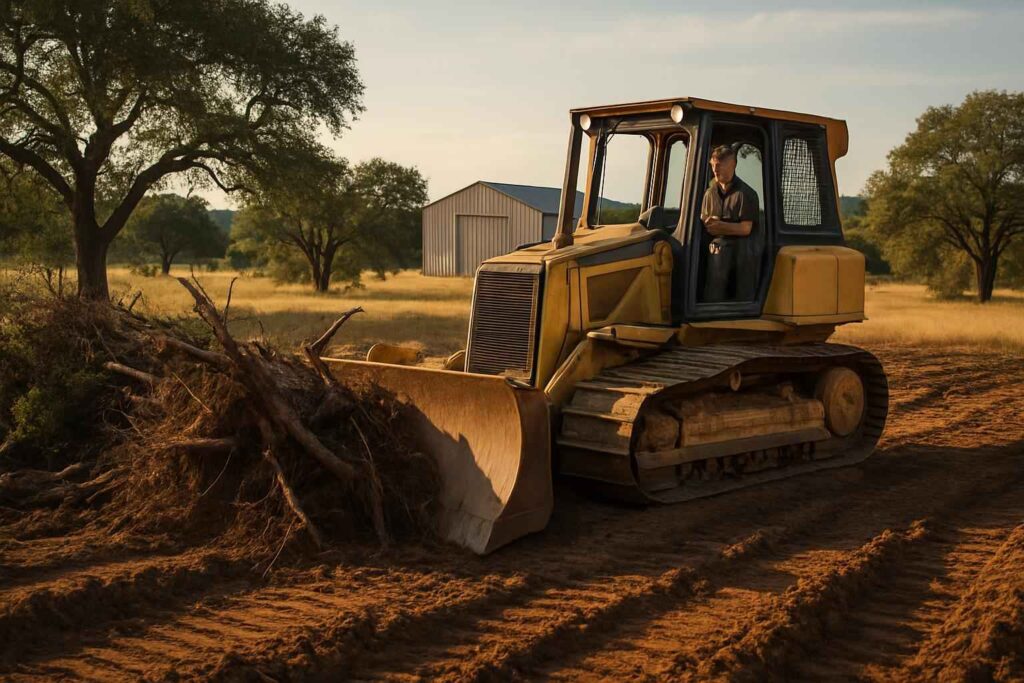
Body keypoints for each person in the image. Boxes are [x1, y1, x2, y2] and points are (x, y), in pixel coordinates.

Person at [700, 145, 761, 302]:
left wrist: (720, 227)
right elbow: (704, 218)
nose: (715, 170)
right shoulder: (709, 193)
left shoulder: (746, 194)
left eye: (719, 166)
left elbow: (746, 229)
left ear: (733, 165)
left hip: (741, 252)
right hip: (715, 248)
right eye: (713, 165)